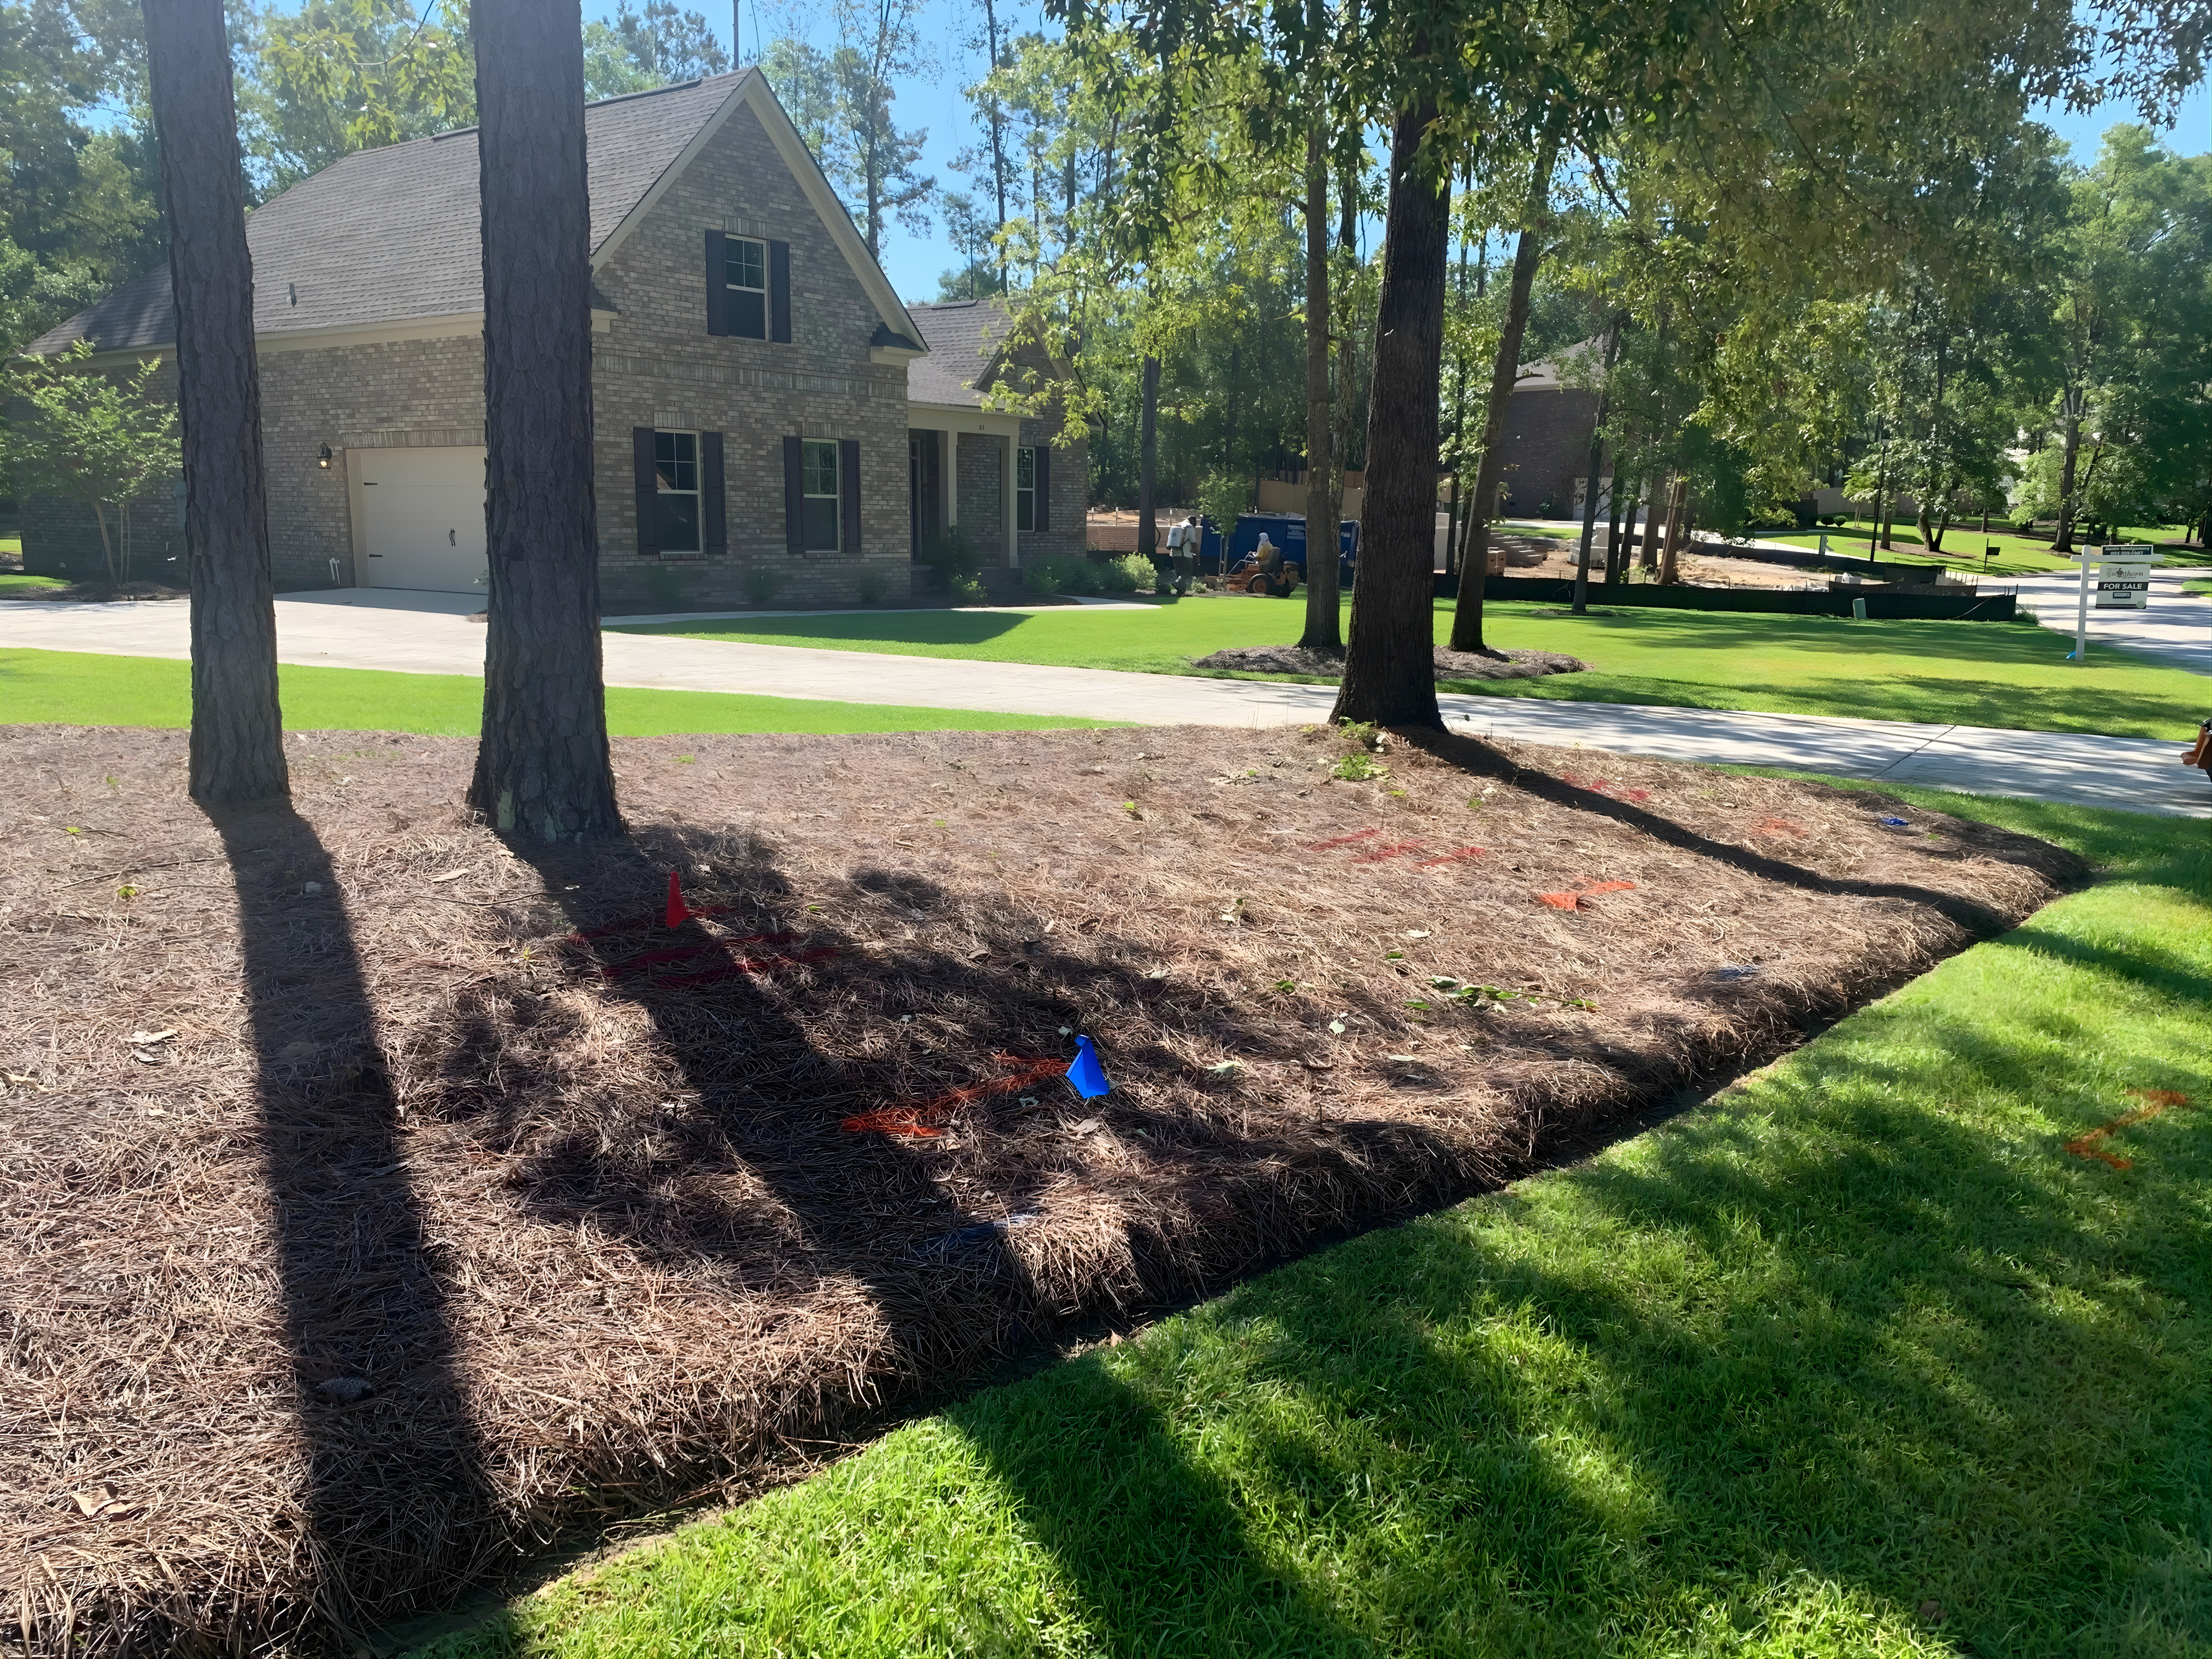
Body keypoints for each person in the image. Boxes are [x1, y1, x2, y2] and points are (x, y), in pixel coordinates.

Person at [1168, 514, 1201, 595]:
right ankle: (1177, 582)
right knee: (1189, 571)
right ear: (1193, 522)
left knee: (1179, 573)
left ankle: (1180, 592)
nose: (1195, 527)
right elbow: (1193, 543)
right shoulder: (1190, 527)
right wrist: (1197, 555)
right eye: (1195, 525)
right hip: (1184, 554)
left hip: (1174, 552)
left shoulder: (1178, 525)